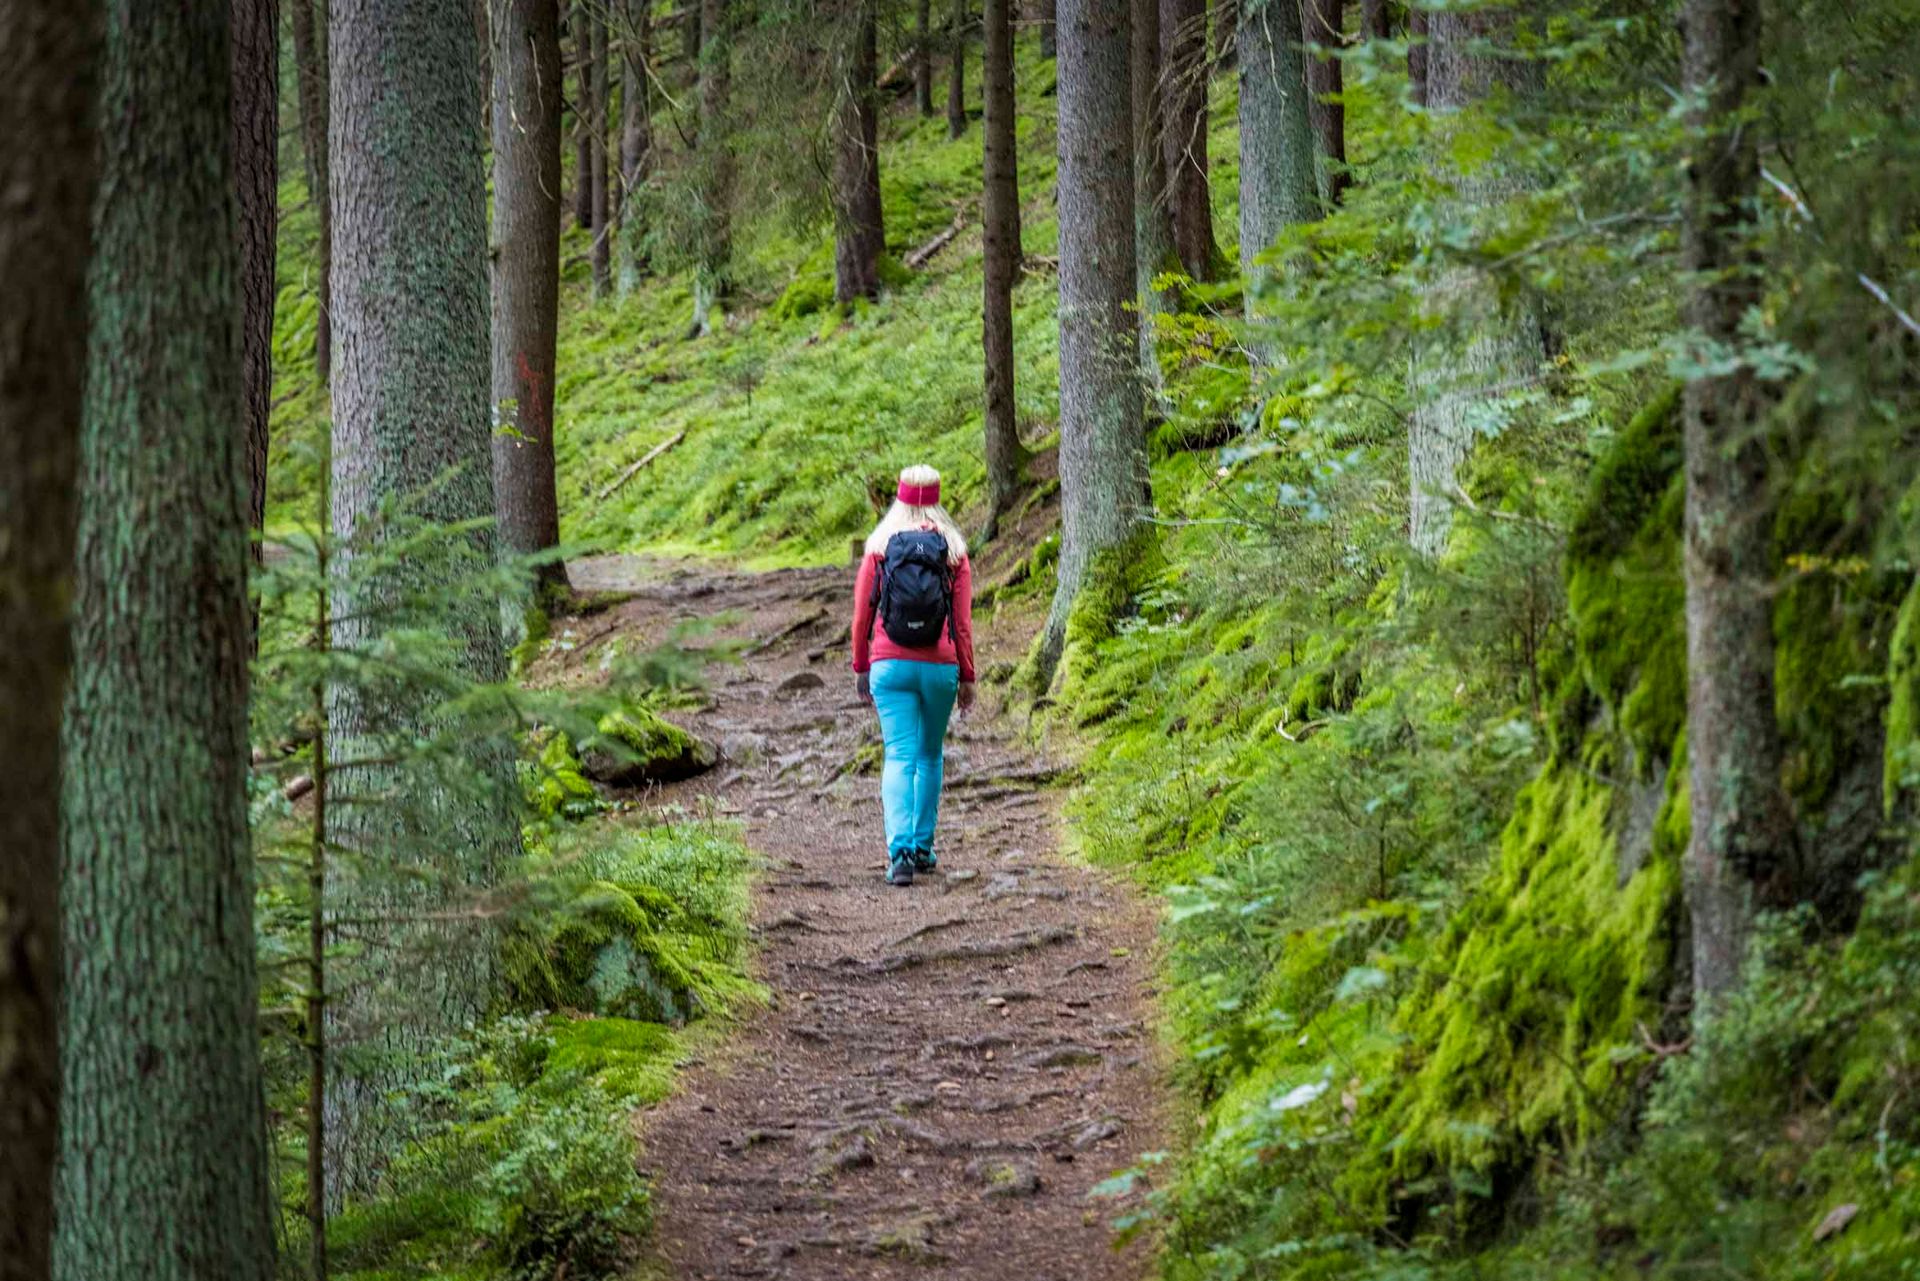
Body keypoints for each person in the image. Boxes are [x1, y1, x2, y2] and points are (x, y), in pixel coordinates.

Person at [851, 464, 977, 886]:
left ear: (900, 497)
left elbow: (861, 617)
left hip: (889, 666)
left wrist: (860, 666)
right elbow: (962, 624)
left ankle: (899, 853)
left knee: (899, 755)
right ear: (937, 497)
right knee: (929, 755)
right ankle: (923, 847)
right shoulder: (954, 550)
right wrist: (968, 677)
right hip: (940, 666)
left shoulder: (880, 545)